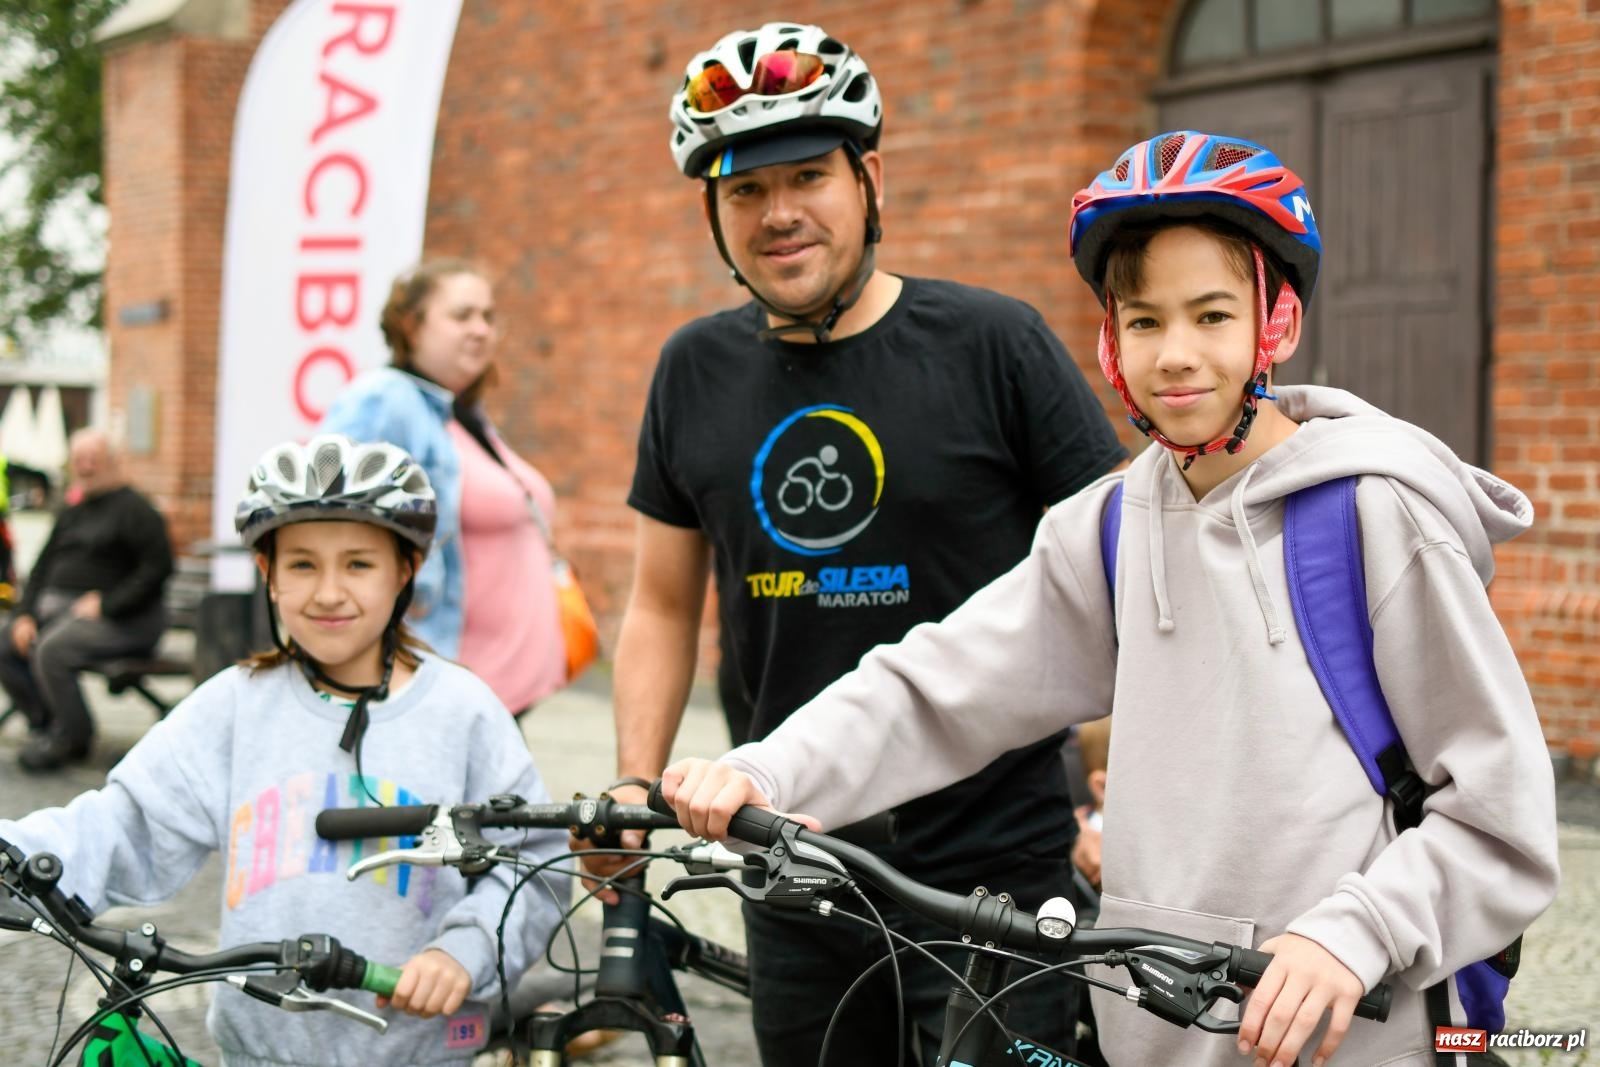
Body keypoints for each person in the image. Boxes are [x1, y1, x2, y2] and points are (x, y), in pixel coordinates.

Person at [659, 130, 1561, 1067]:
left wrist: (1356, 929)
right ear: (1110, 340)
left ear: (1276, 323)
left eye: (1212, 316)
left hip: (1351, 1039)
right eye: (1144, 321)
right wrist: (771, 769)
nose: (1176, 354)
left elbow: (1502, 815)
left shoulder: (1375, 519)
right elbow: (936, 684)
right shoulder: (1111, 527)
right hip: (1153, 1038)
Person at [582, 22, 1126, 1067]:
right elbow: (659, 601)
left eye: (806, 176)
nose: (778, 213)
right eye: (744, 190)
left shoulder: (992, 342)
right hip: (790, 856)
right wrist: (629, 780)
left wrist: (1124, 784)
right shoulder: (690, 368)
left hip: (990, 866)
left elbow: (1124, 576)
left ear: (867, 178)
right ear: (712, 211)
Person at [0, 434, 566, 1065]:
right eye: (302, 565)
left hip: (416, 1051)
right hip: (258, 1052)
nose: (327, 592)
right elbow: (126, 823)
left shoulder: (463, 711)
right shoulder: (236, 706)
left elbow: (530, 865)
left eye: (357, 564)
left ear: (405, 570)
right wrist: (17, 854)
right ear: (268, 574)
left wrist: (464, 950)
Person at [321, 260, 566, 713]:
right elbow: (330, 522)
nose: (481, 329)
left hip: (496, 691)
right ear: (411, 327)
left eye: (489, 317)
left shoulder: (458, 413)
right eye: (462, 315)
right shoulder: (384, 399)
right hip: (443, 683)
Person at [0, 429, 173, 771]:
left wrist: (107, 604)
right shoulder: (72, 511)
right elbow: (40, 569)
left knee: (52, 649)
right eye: (79, 460)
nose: (86, 467)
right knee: (5, 642)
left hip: (126, 621)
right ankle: (48, 724)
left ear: (113, 461)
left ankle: (73, 738)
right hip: (61, 612)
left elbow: (157, 570)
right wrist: (25, 614)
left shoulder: (136, 511)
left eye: (93, 459)